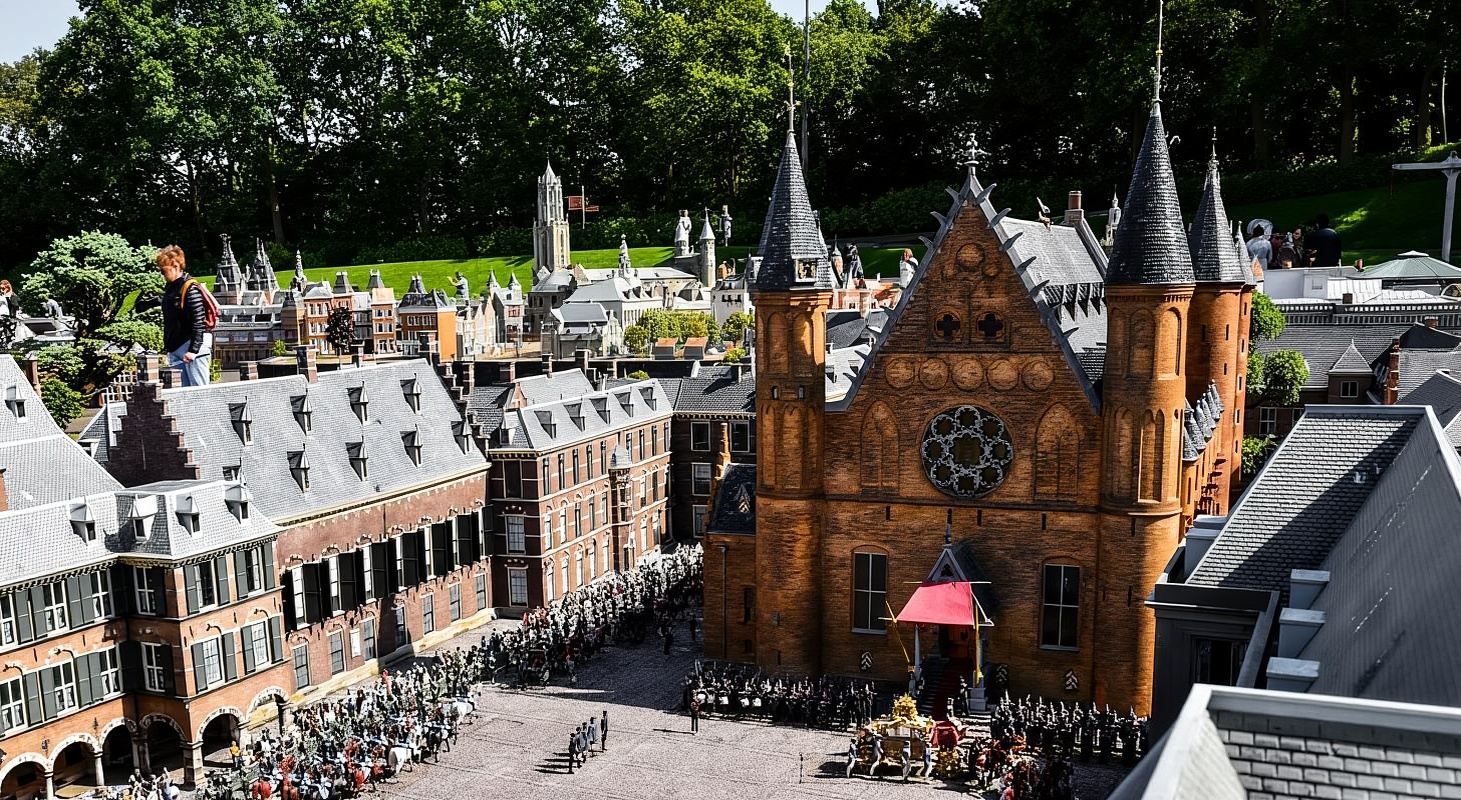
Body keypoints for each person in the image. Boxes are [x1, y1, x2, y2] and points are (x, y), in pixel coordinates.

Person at [156, 245, 213, 386]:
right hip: (178, 350)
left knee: (200, 395)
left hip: (192, 352)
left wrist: (193, 350)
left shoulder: (189, 289)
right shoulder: (173, 287)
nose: (162, 274)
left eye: (163, 270)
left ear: (175, 266)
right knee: (184, 397)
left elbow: (198, 321)